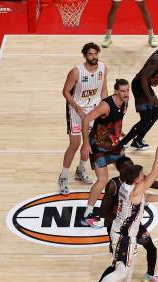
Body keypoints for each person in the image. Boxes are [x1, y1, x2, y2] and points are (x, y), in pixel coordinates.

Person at [81, 141, 158, 282]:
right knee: (121, 271)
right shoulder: (133, 191)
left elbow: (146, 197)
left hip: (127, 233)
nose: (145, 176)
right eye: (142, 175)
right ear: (136, 180)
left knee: (133, 257)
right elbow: (156, 171)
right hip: (123, 235)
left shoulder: (129, 187)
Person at [97, 156, 158, 282]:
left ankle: (146, 277)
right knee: (118, 266)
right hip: (119, 227)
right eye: (127, 167)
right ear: (121, 170)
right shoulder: (115, 185)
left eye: (132, 165)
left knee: (151, 249)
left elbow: (155, 186)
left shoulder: (134, 181)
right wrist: (118, 216)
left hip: (131, 225)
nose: (131, 168)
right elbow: (102, 212)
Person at [58, 42, 108, 194]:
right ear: (85, 56)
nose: (94, 57)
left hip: (93, 111)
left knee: (90, 143)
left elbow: (103, 90)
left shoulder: (103, 69)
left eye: (95, 54)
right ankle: (63, 177)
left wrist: (105, 108)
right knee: (75, 144)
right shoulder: (76, 72)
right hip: (76, 111)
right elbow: (65, 92)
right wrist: (77, 107)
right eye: (90, 54)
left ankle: (80, 171)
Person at [80, 79, 130, 228]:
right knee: (102, 180)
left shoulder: (125, 102)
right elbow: (86, 119)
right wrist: (86, 143)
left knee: (128, 171)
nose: (126, 93)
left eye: (127, 90)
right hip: (97, 147)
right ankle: (87, 215)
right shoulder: (105, 106)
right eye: (122, 91)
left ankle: (126, 204)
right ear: (116, 91)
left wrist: (119, 133)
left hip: (112, 145)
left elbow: (117, 120)